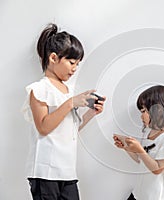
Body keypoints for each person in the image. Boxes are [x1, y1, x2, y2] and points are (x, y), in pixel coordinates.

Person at [22, 23, 105, 200]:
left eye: (78, 64)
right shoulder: (39, 89)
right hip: (45, 172)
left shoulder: (68, 91)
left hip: (67, 171)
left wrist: (91, 113)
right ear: (53, 58)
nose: (75, 68)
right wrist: (71, 103)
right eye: (71, 62)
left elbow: (69, 129)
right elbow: (43, 127)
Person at [113, 85, 164, 200]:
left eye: (143, 111)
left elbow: (157, 169)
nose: (141, 116)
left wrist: (139, 149)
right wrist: (127, 147)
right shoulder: (150, 133)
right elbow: (142, 160)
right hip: (139, 194)